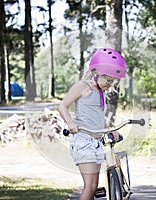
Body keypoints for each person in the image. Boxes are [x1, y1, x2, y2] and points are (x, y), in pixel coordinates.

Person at [58, 47, 127, 200]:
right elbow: (62, 106)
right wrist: (70, 123)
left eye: (112, 81)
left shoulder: (99, 92)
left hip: (95, 142)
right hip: (83, 141)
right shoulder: (83, 86)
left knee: (94, 186)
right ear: (97, 73)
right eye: (108, 80)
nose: (110, 84)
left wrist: (110, 129)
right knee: (89, 186)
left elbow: (98, 117)